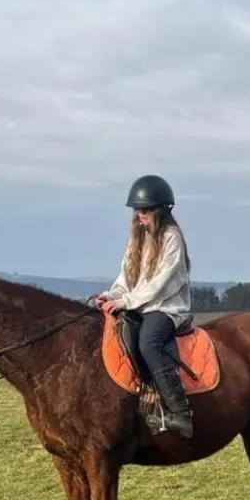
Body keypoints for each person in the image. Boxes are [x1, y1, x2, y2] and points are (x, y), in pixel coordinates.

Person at [96, 175, 195, 441]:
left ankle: (181, 413)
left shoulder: (172, 239)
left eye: (147, 210)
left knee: (148, 342)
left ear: (162, 210)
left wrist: (126, 302)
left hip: (166, 308)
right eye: (138, 210)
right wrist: (110, 295)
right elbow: (125, 277)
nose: (141, 215)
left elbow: (159, 285)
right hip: (141, 305)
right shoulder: (137, 239)